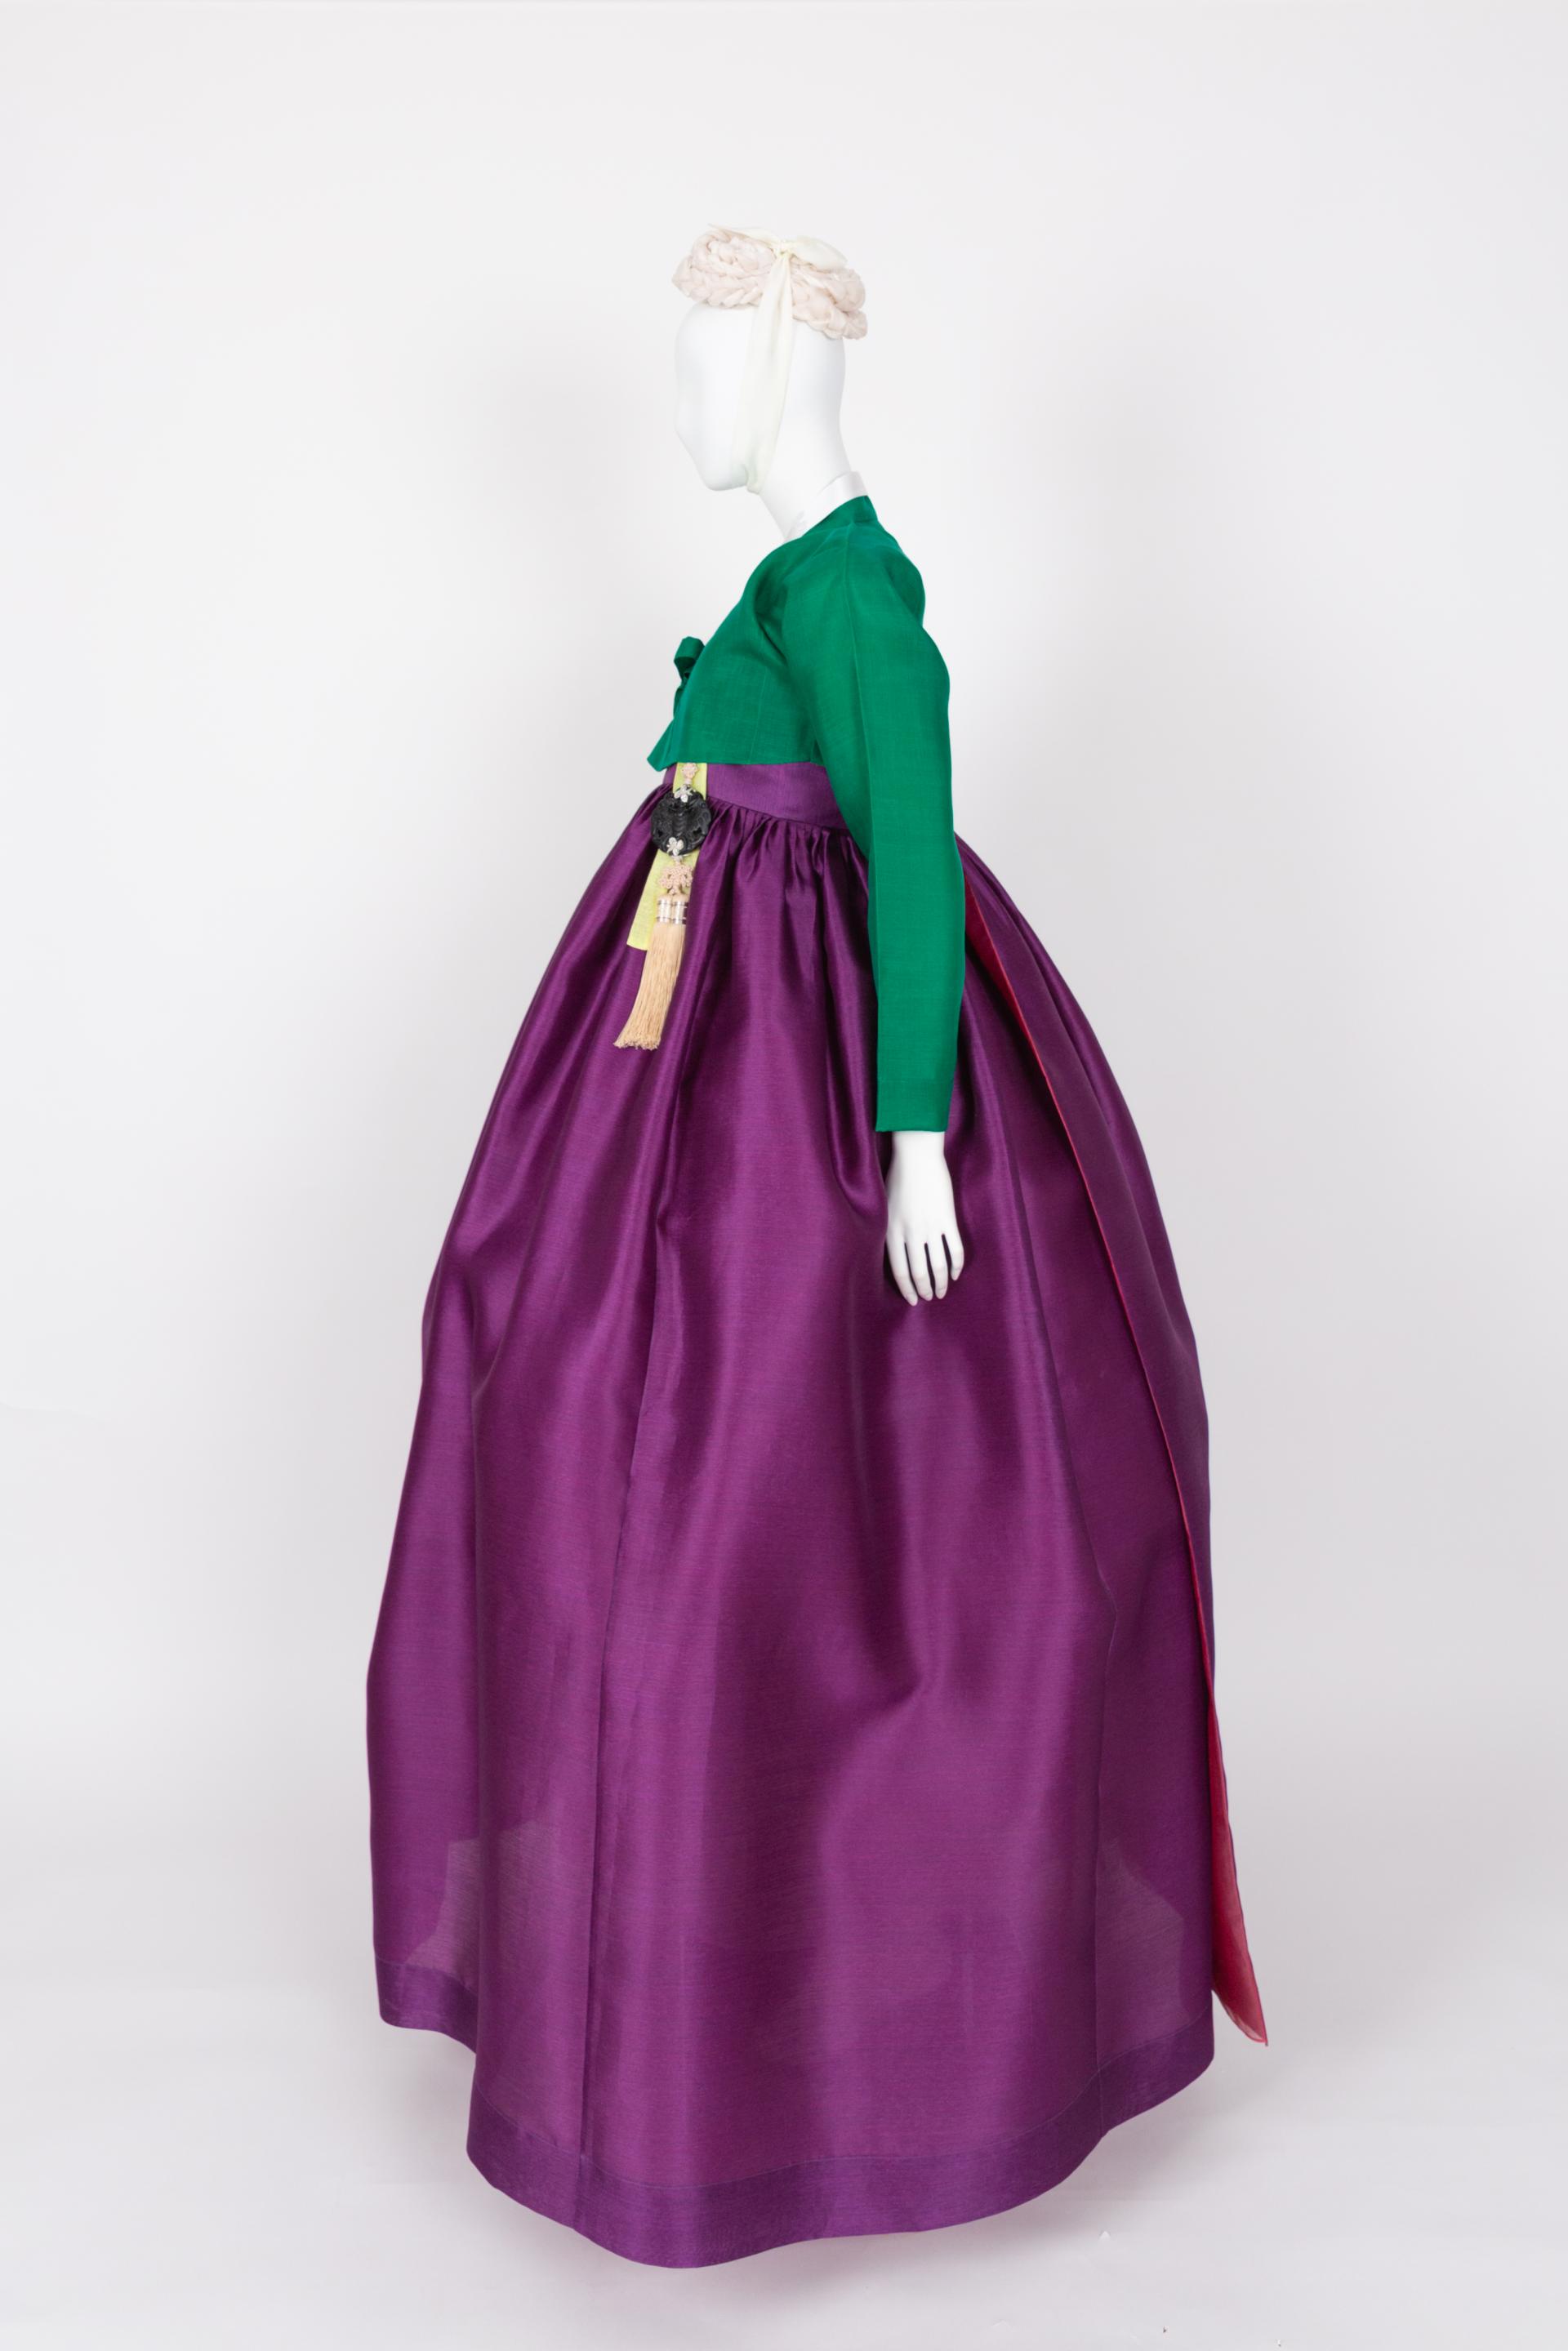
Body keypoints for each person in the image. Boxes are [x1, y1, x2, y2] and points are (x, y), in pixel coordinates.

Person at [366, 224, 1264, 2269]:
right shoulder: (789, 581)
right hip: (695, 1052)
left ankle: (829, 2016)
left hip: (802, 1079)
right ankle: (664, 1954)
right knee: (575, 1416)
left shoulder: (859, 599)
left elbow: (915, 868)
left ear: (781, 363)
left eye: (706, 363)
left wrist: (917, 1140)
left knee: (761, 1509)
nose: (684, 403)